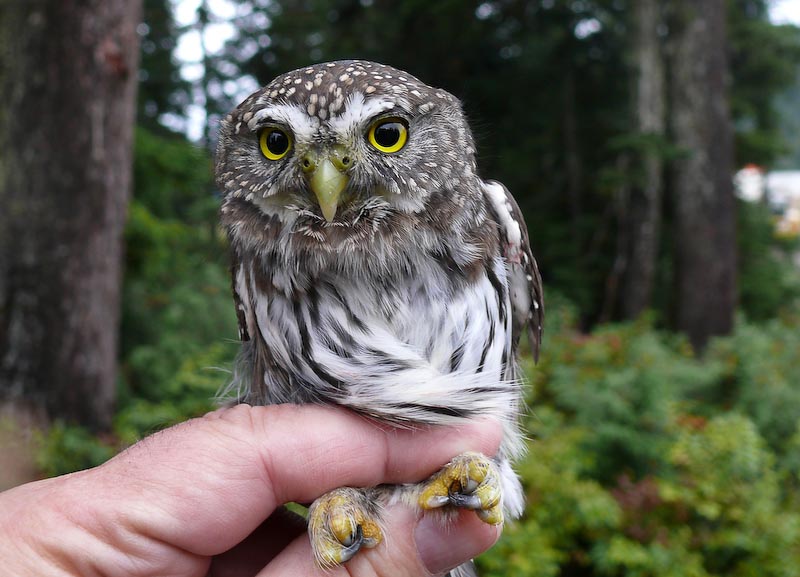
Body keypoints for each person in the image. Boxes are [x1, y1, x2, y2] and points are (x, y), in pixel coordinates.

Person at [0, 404, 503, 576]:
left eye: (386, 149)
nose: (327, 178)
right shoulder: (264, 245)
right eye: (278, 151)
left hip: (455, 449)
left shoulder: (480, 219)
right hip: (345, 476)